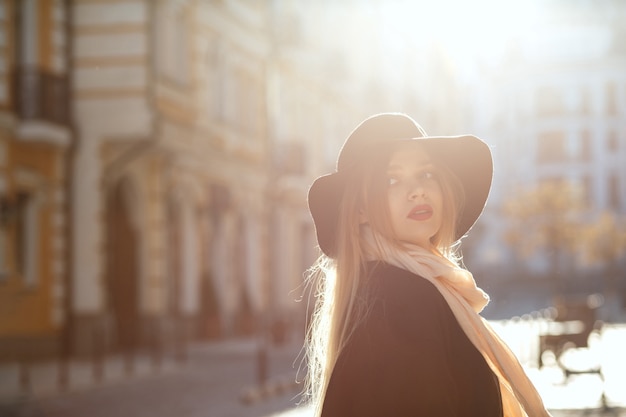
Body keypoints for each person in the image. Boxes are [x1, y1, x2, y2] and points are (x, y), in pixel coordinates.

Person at [304, 113, 551, 416]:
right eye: (392, 179)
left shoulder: (394, 290)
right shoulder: (404, 301)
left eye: (427, 174)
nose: (418, 190)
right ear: (359, 210)